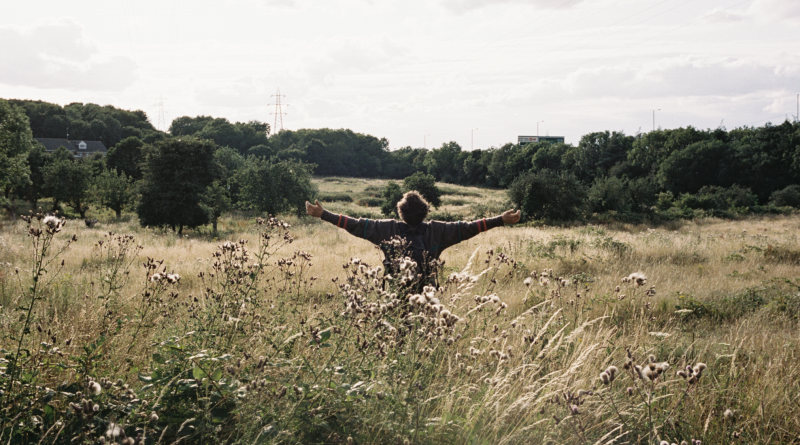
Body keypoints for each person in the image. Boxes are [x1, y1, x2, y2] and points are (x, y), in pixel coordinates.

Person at [305, 191, 521, 285]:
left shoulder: (386, 229)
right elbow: (470, 228)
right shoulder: (438, 231)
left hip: (395, 297)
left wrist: (324, 214)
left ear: (401, 212)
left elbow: (354, 224)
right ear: (425, 212)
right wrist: (500, 219)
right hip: (427, 296)